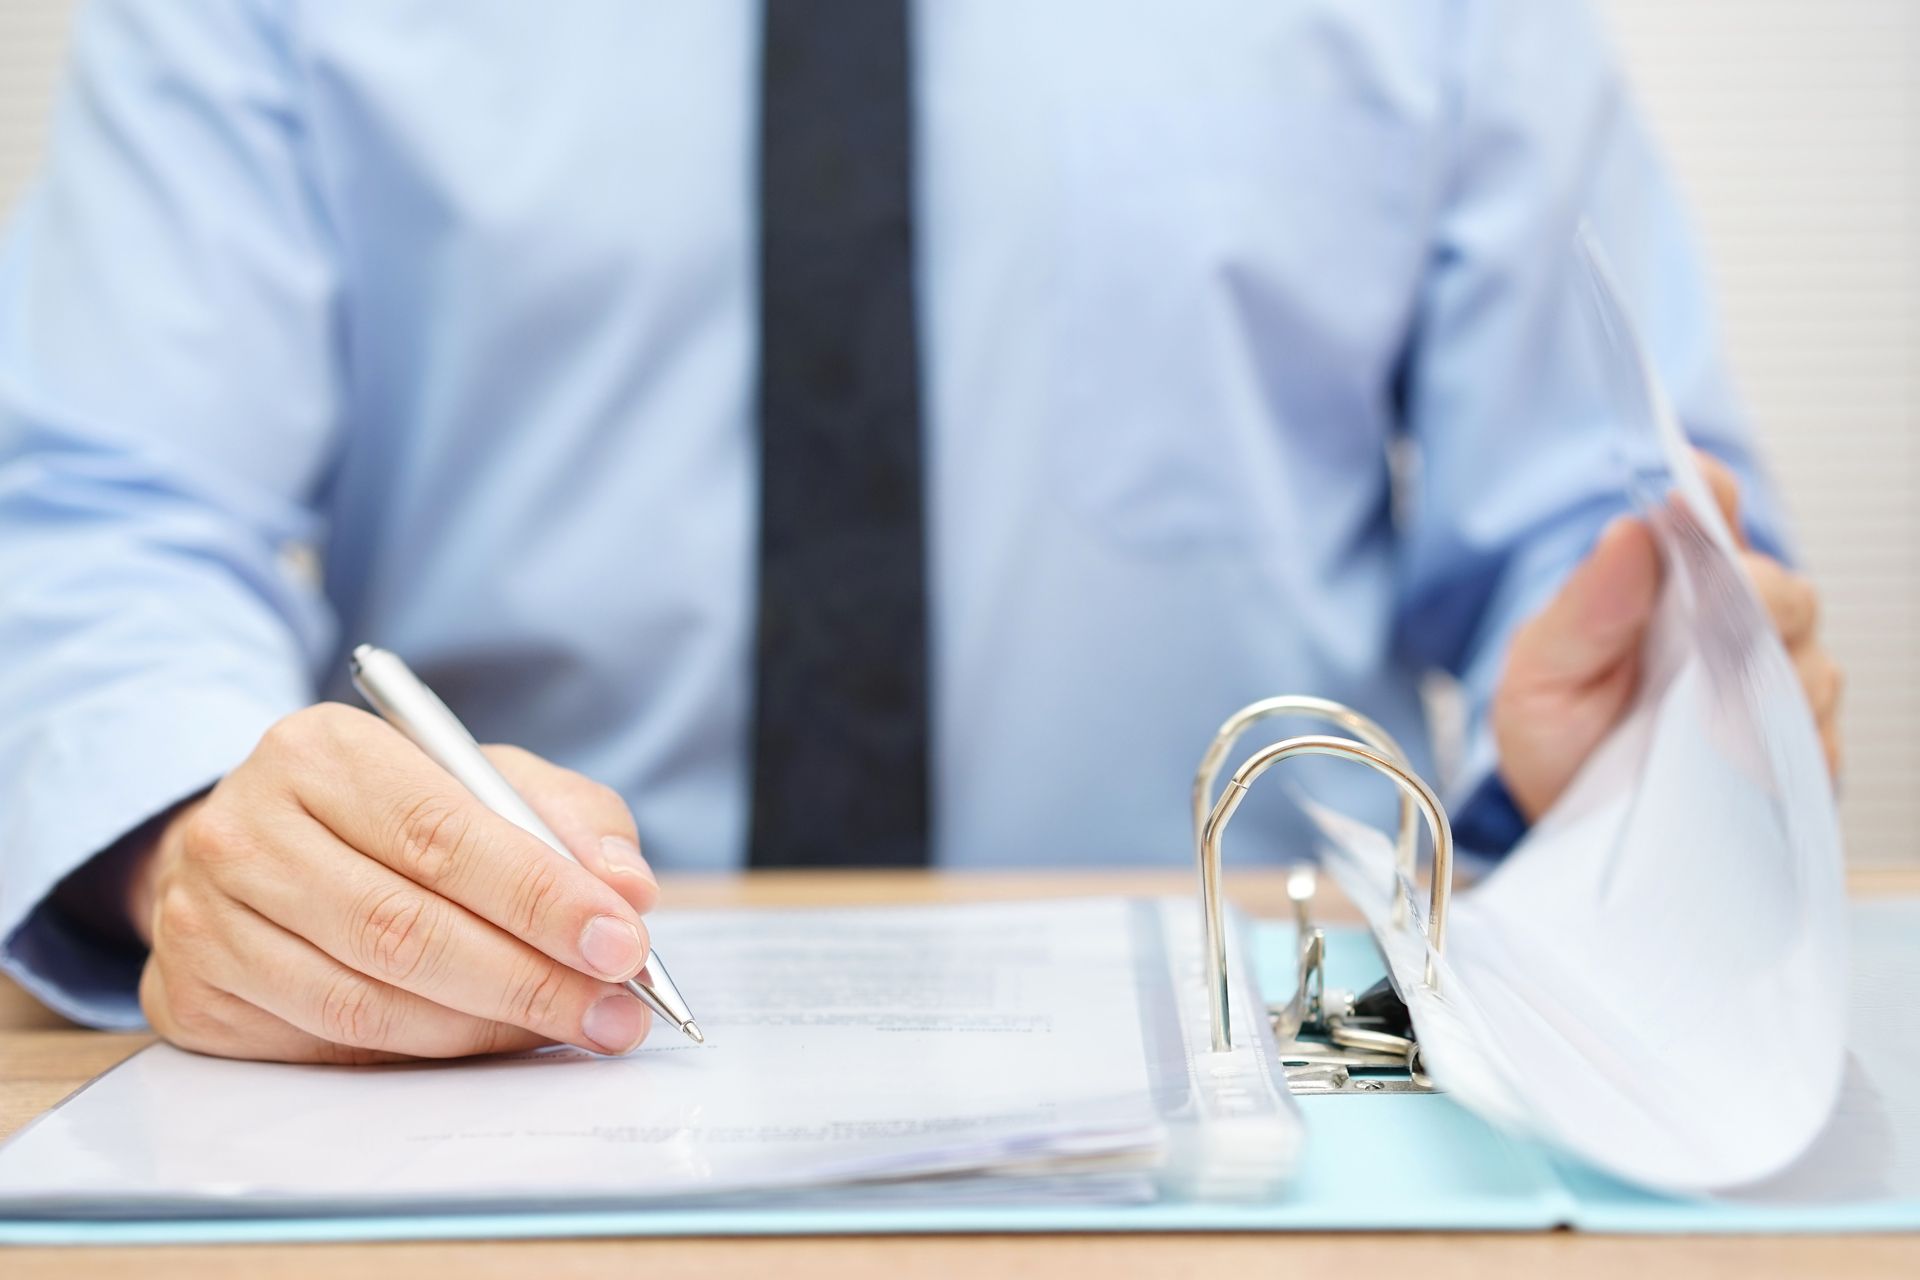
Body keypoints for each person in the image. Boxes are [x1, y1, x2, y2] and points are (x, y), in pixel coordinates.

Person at [0, 0, 1840, 1065]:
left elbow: (1601, 526)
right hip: (496, 1067)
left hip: (1276, 1079)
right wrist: (203, 842)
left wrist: (1641, 736)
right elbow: (98, 520)